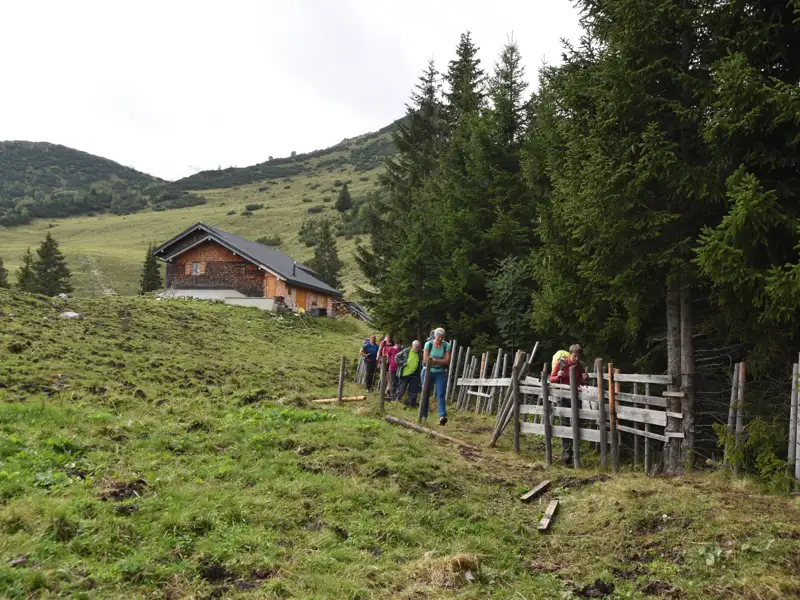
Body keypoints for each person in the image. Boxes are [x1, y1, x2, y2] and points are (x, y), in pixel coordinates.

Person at [549, 343, 588, 465]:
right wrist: (558, 376)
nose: (577, 358)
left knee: (577, 421)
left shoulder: (580, 366)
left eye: (579, 356)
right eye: (575, 356)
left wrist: (585, 378)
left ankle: (575, 450)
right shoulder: (562, 363)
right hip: (563, 395)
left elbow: (581, 382)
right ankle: (567, 453)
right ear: (570, 354)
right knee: (565, 423)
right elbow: (551, 378)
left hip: (576, 396)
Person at [421, 328, 451, 425]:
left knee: (441, 394)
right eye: (439, 337)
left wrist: (434, 360)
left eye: (442, 337)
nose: (440, 339)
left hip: (440, 372)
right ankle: (424, 416)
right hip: (427, 371)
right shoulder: (428, 344)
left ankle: (442, 416)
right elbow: (426, 360)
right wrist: (438, 361)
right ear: (435, 336)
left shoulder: (446, 345)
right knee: (425, 393)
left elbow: (447, 360)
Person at [395, 340, 422, 407]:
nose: (417, 348)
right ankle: (397, 403)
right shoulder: (406, 351)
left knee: (413, 390)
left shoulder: (420, 354)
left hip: (415, 374)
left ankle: (411, 405)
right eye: (416, 347)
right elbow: (396, 357)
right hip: (405, 374)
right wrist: (402, 363)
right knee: (401, 389)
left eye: (418, 347)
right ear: (412, 346)